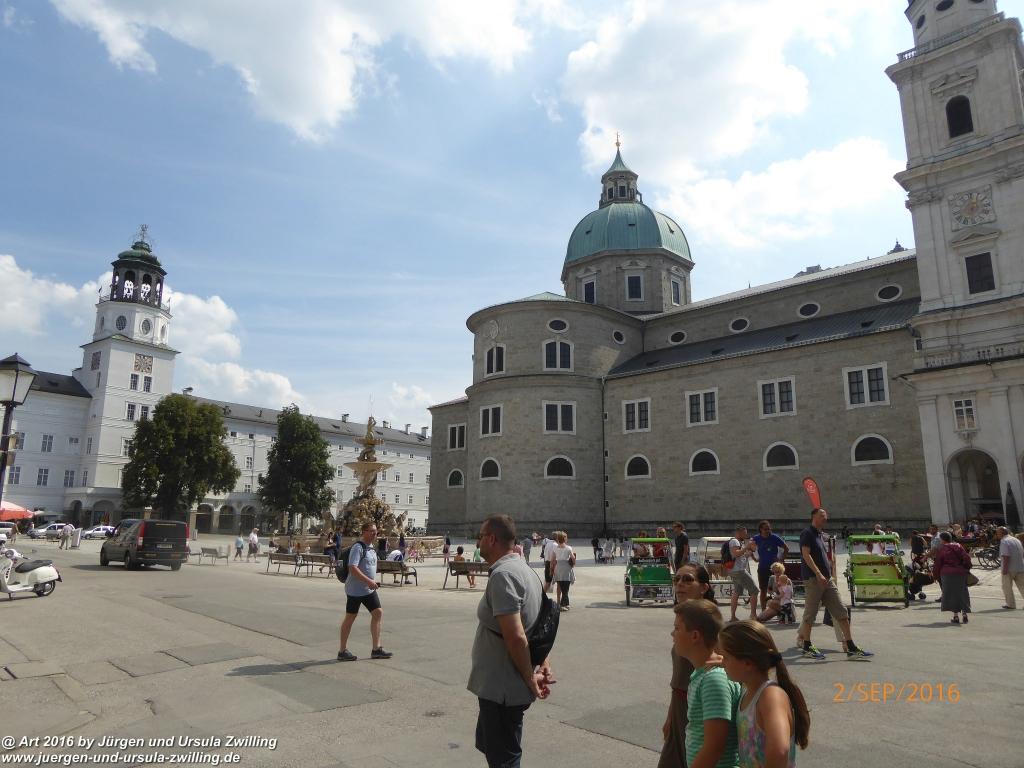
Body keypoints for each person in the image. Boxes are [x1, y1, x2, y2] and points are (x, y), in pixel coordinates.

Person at [468, 514, 553, 768]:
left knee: (505, 758)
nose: (478, 542)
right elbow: (539, 625)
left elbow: (516, 636)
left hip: (503, 687)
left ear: (492, 539)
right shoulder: (526, 571)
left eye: (481, 536)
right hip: (500, 685)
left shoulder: (503, 575)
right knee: (491, 745)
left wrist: (530, 678)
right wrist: (543, 663)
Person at [720, 620, 810, 768]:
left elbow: (780, 751)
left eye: (725, 657)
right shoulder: (749, 692)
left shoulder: (771, 697)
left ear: (748, 663)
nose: (722, 663)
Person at [659, 563, 716, 768]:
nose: (680, 584)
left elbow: (732, 662)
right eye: (677, 579)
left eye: (688, 579)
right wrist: (671, 716)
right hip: (679, 704)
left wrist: (724, 662)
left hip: (699, 708)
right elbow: (679, 678)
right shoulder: (683, 617)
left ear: (704, 587)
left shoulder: (710, 622)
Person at [672, 599, 741, 768]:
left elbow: (714, 746)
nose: (672, 634)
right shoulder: (701, 675)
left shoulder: (713, 679)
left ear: (695, 636)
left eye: (677, 628)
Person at [797, 508, 872, 660]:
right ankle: (807, 646)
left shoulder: (820, 535)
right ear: (813, 517)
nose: (825, 518)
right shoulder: (807, 533)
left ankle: (851, 647)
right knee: (810, 614)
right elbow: (806, 555)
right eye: (821, 515)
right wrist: (818, 574)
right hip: (814, 579)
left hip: (827, 579)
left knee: (841, 612)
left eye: (826, 515)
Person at [337, 522, 393, 662]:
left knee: (378, 612)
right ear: (364, 532)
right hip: (355, 590)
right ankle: (342, 650)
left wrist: (371, 581)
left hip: (368, 589)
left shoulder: (371, 548)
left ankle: (376, 649)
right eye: (371, 531)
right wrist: (369, 581)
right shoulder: (358, 547)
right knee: (350, 617)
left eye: (375, 531)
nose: (374, 533)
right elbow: (352, 568)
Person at [932, 531, 971, 624]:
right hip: (960, 573)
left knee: (952, 595)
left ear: (942, 539)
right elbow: (966, 558)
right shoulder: (959, 546)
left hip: (947, 574)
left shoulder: (942, 549)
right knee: (962, 593)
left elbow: (938, 564)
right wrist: (966, 568)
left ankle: (956, 616)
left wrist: (935, 575)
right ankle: (965, 614)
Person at [751, 521, 788, 612]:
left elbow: (786, 548)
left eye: (769, 529)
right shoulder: (756, 538)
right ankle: (763, 610)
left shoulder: (774, 537)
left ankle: (780, 610)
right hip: (762, 567)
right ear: (760, 529)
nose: (768, 531)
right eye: (765, 529)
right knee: (763, 590)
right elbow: (749, 548)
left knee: (779, 588)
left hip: (775, 568)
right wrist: (754, 558)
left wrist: (781, 560)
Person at [728, 526, 759, 623]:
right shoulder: (735, 541)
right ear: (739, 533)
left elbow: (738, 556)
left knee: (737, 592)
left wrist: (747, 554)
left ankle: (733, 616)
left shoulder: (737, 542)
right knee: (754, 590)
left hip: (734, 570)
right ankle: (753, 615)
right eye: (744, 533)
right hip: (739, 571)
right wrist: (747, 546)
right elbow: (735, 554)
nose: (746, 535)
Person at [994, 526, 1024, 609]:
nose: (997, 534)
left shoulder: (1004, 541)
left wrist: (1005, 569)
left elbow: (1006, 556)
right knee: (1022, 586)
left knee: (1007, 587)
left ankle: (1010, 604)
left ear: (1001, 533)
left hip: (1009, 568)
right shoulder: (1016, 539)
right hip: (1020, 566)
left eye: (997, 533)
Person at [547, 531, 576, 611]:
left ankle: (565, 604)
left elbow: (552, 560)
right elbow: (573, 558)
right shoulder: (568, 548)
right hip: (566, 567)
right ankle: (563, 605)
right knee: (566, 587)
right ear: (565, 539)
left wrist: (551, 569)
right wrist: (573, 564)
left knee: (561, 585)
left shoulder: (555, 548)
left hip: (558, 567)